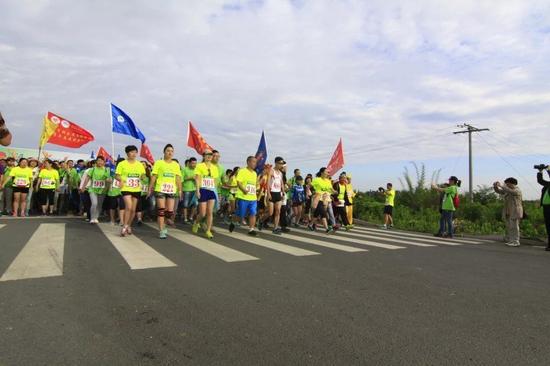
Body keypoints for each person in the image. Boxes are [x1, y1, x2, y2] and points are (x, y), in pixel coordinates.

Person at [149, 144, 183, 239]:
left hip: (171, 190)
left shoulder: (176, 165)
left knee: (169, 212)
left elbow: (178, 178)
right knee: (161, 211)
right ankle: (161, 230)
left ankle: (163, 224)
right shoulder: (159, 163)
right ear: (164, 152)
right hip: (160, 189)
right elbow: (154, 176)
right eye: (168, 150)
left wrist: (180, 190)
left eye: (172, 151)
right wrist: (150, 188)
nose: (170, 152)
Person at [115, 145, 146, 237]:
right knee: (128, 206)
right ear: (127, 153)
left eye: (135, 152)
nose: (133, 154)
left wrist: (143, 177)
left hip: (136, 189)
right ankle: (124, 226)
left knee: (133, 209)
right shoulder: (122, 164)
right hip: (126, 188)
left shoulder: (139, 164)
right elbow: (117, 175)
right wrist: (120, 180)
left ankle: (128, 225)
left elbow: (143, 175)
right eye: (131, 152)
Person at [192, 149, 218, 239]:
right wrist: (197, 190)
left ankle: (208, 230)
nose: (209, 156)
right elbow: (197, 179)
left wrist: (215, 191)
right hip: (203, 190)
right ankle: (196, 222)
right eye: (207, 154)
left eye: (211, 154)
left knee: (210, 212)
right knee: (202, 213)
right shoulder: (200, 166)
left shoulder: (214, 167)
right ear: (203, 156)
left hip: (211, 190)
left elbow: (215, 180)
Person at [229, 156, 258, 236]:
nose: (255, 164)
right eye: (253, 162)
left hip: (253, 197)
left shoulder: (255, 173)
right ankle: (233, 222)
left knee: (253, 213)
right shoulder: (242, 171)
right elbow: (239, 183)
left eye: (255, 162)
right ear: (248, 162)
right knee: (241, 215)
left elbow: (254, 185)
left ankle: (251, 229)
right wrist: (244, 190)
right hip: (243, 197)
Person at [493, 177, 524, 247]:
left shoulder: (517, 190)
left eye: (507, 184)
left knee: (515, 227)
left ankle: (516, 241)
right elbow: (499, 191)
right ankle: (511, 240)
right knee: (509, 227)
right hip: (508, 211)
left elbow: (511, 192)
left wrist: (501, 186)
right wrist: (495, 186)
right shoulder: (508, 190)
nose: (506, 185)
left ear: (511, 183)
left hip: (515, 211)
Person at [80, 156, 111, 224]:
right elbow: (87, 179)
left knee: (99, 205)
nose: (100, 162)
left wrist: (109, 180)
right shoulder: (92, 169)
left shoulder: (106, 170)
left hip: (102, 190)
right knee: (94, 203)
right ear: (96, 161)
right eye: (98, 160)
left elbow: (107, 178)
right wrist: (83, 187)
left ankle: (96, 217)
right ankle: (92, 218)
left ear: (104, 162)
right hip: (92, 189)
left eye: (101, 161)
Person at [260, 156, 286, 235]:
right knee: (270, 213)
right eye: (280, 163)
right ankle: (261, 220)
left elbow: (281, 183)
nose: (281, 165)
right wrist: (268, 193)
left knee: (278, 211)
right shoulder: (271, 171)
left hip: (278, 194)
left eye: (282, 164)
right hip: (271, 193)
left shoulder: (281, 173)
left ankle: (275, 228)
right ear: (276, 163)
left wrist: (283, 191)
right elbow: (268, 182)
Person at [309, 167, 336, 233]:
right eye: (326, 172)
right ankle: (327, 229)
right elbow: (309, 186)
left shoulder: (328, 181)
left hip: (325, 199)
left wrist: (335, 192)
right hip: (317, 198)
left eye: (328, 172)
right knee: (323, 212)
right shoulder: (317, 180)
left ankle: (310, 224)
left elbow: (331, 190)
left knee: (317, 213)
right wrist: (311, 192)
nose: (328, 173)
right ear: (322, 172)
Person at [537, 166, 550, 251]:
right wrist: (540, 171)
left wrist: (548, 170)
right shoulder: (548, 184)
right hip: (546, 207)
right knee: (548, 225)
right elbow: (540, 181)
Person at [181, 157, 197, 224]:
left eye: (195, 163)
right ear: (189, 163)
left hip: (195, 189)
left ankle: (190, 217)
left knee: (195, 204)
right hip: (186, 189)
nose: (194, 165)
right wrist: (191, 178)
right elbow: (181, 180)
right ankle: (185, 219)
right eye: (193, 163)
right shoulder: (184, 170)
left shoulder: (197, 170)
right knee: (185, 205)